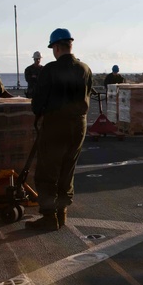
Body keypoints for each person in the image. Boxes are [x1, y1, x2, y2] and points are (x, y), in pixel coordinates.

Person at [27, 28, 93, 231]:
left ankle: (49, 217)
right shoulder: (85, 69)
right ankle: (62, 213)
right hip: (79, 126)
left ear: (55, 47)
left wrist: (38, 113)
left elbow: (38, 104)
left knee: (47, 173)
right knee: (67, 170)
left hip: (56, 125)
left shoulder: (50, 70)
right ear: (70, 45)